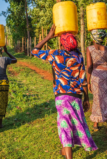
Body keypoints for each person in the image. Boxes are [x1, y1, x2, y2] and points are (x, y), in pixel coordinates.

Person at [31, 25, 98, 159]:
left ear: (62, 44)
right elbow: (83, 79)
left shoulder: (56, 54)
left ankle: (68, 156)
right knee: (74, 123)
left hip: (61, 97)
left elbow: (34, 51)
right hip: (76, 96)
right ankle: (64, 150)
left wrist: (49, 36)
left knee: (65, 127)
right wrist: (86, 98)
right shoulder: (79, 56)